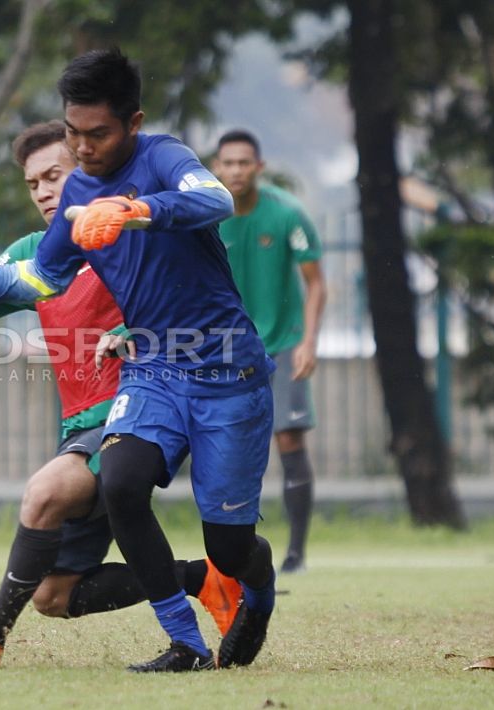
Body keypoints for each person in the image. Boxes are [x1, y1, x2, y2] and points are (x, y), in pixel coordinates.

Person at [0, 49, 277, 673]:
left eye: (98, 134)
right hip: (154, 370)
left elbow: (215, 199)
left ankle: (255, 589)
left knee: (229, 548)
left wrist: (135, 210)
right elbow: (38, 279)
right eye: (74, 134)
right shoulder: (79, 194)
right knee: (120, 483)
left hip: (228, 370)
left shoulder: (163, 156)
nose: (85, 148)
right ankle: (186, 645)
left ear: (133, 123)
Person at [209, 130, 327, 574]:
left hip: (283, 339)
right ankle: (235, 549)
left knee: (289, 438)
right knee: (230, 443)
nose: (236, 170)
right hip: (229, 348)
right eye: (228, 163)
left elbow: (316, 282)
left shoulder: (288, 215)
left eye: (244, 163)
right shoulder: (208, 216)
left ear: (259, 167)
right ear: (217, 168)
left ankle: (296, 553)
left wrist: (309, 341)